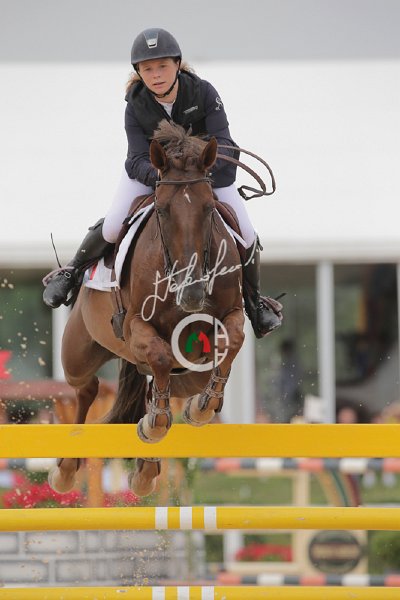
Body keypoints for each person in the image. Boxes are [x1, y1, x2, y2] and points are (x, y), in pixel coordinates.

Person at [42, 27, 282, 338]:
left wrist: (200, 169)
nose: (155, 75)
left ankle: (254, 303)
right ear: (138, 72)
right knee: (114, 225)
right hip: (157, 176)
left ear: (177, 65)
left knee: (246, 234)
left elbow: (224, 142)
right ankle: (72, 272)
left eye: (162, 66)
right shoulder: (135, 105)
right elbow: (135, 158)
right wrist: (161, 176)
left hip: (204, 175)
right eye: (147, 69)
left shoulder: (204, 92)